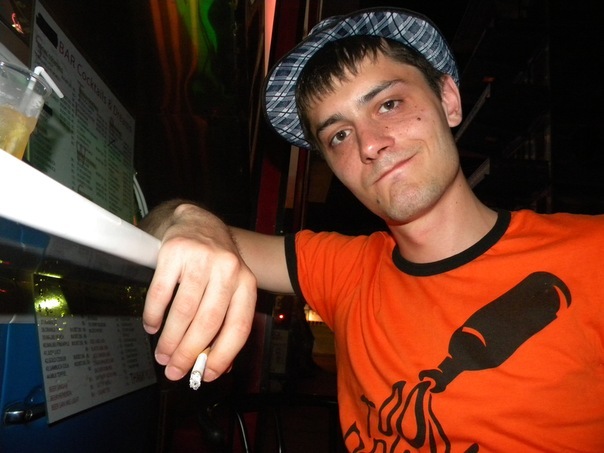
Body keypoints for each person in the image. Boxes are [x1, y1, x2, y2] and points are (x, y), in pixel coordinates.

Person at [140, 7, 604, 452]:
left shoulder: (592, 253)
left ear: (448, 100)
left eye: (389, 104)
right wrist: (191, 222)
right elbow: (157, 228)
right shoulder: (344, 270)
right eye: (339, 134)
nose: (369, 144)